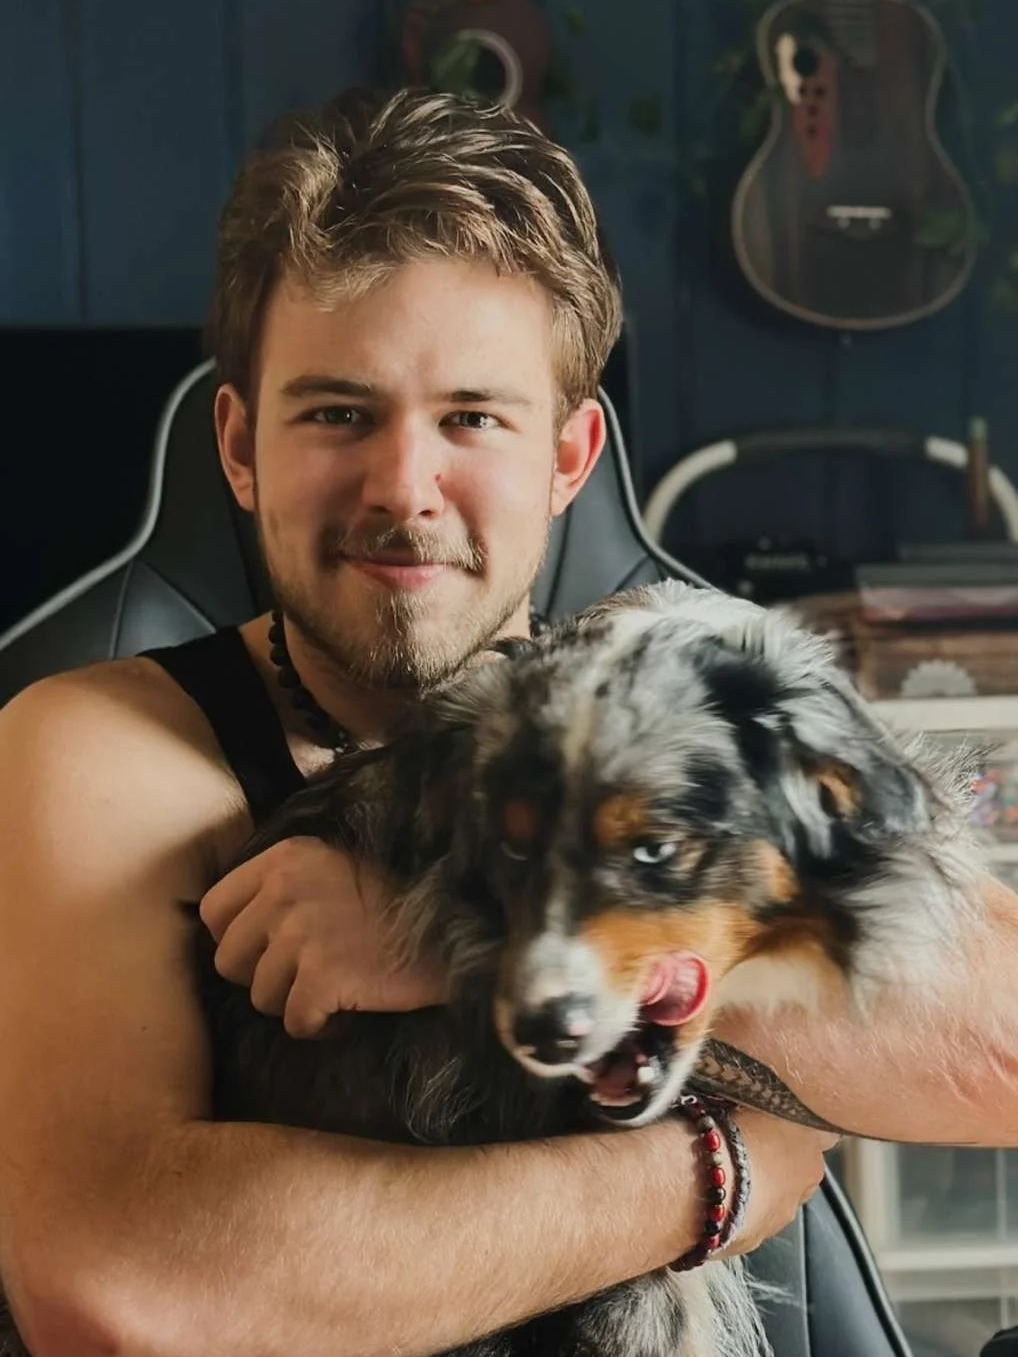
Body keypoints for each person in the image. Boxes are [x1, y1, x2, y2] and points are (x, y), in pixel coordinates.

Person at [0, 84, 1009, 1357]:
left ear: (569, 456)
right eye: (336, 413)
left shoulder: (691, 707)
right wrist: (720, 1174)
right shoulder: (104, 750)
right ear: (240, 447)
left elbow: (1001, 1046)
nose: (402, 487)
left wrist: (481, 936)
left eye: (472, 416)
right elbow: (120, 1290)